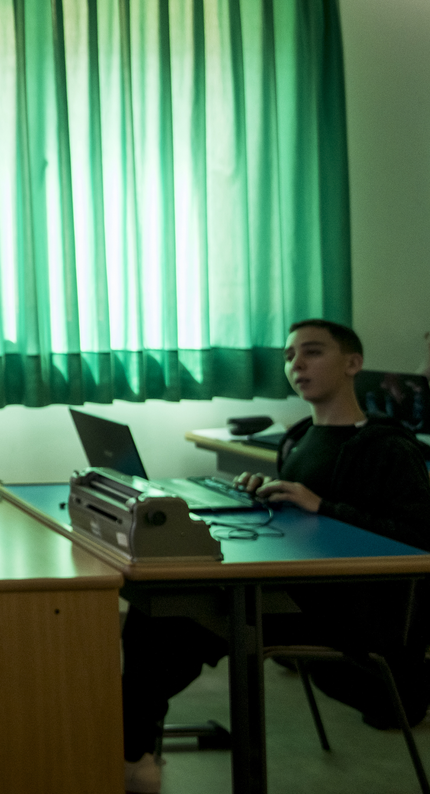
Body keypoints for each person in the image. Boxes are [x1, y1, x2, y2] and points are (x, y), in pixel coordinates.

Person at [121, 319, 430, 794]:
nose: (297, 365)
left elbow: (418, 539)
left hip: (347, 613)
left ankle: (132, 751)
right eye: (289, 357)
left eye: (312, 352)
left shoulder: (388, 448)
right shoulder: (300, 436)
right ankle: (134, 746)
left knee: (171, 620)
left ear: (353, 363)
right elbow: (305, 526)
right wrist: (264, 496)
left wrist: (322, 505)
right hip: (297, 589)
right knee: (156, 603)